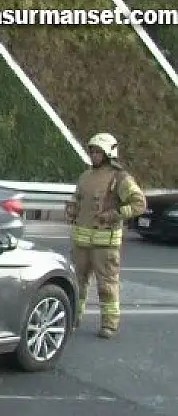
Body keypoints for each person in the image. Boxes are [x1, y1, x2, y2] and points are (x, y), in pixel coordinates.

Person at [65, 132, 147, 339]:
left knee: (107, 286)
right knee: (77, 283)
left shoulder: (120, 178)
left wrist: (117, 214)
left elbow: (139, 204)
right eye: (91, 151)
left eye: (98, 152)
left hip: (105, 245)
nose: (93, 155)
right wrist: (72, 208)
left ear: (109, 153)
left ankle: (109, 324)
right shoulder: (85, 176)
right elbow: (76, 198)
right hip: (81, 243)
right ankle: (73, 318)